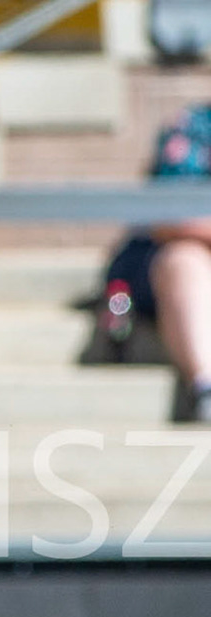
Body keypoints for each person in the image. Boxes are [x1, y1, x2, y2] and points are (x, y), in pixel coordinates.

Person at [95, 106, 211, 422]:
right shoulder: (194, 128)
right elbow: (170, 216)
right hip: (173, 264)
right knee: (184, 259)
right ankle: (206, 389)